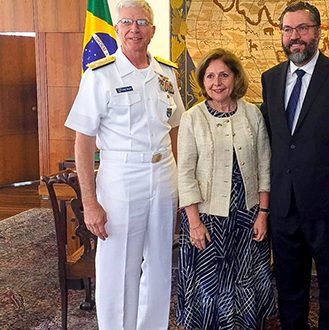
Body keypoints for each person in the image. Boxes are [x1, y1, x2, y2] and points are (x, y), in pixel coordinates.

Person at [64, 0, 185, 328]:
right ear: (117, 29)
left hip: (163, 176)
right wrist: (89, 202)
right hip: (121, 179)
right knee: (119, 268)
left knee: (159, 265)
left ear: (153, 30)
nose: (135, 29)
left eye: (142, 23)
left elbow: (175, 131)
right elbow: (84, 141)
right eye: (128, 22)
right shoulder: (100, 75)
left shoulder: (167, 73)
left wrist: (179, 187)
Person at [260, 2, 329, 329]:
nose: (295, 37)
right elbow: (275, 141)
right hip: (285, 205)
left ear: (318, 32)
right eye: (288, 29)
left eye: (302, 28)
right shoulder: (270, 79)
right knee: (289, 288)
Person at [176, 48, 276, 329]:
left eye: (223, 74)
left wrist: (263, 213)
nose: (216, 82)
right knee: (209, 286)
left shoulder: (252, 114)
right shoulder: (192, 118)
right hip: (206, 217)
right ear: (202, 80)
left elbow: (264, 166)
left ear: (234, 78)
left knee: (246, 281)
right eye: (209, 76)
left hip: (248, 216)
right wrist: (194, 223)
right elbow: (184, 173)